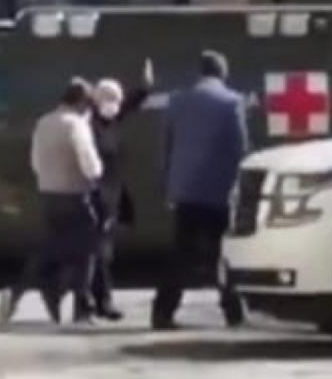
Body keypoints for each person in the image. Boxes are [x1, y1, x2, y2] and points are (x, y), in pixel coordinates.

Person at [151, 50, 249, 330]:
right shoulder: (232, 102)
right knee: (224, 253)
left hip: (185, 190)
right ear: (223, 72)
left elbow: (165, 146)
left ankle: (162, 312)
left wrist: (168, 184)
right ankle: (233, 312)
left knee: (179, 254)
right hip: (219, 191)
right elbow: (239, 148)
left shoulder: (177, 100)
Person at [0, 78, 103, 326]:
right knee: (88, 250)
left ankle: (21, 293)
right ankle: (82, 309)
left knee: (51, 250)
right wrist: (97, 173)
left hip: (48, 195)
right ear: (81, 103)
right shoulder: (76, 125)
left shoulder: (43, 122)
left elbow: (35, 161)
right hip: (75, 195)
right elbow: (89, 163)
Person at [88, 62, 153, 321]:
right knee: (99, 253)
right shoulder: (89, 125)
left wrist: (146, 87)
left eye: (116, 99)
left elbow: (129, 105)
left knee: (100, 253)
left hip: (111, 196)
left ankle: (95, 301)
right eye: (109, 99)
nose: (114, 104)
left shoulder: (110, 120)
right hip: (97, 197)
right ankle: (102, 303)